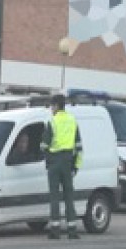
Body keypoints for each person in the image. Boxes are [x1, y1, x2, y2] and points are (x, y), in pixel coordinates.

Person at [41, 93, 82, 239]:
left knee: (55, 197)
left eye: (52, 106)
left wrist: (47, 159)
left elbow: (44, 145)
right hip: (68, 162)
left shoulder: (52, 122)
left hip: (54, 161)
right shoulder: (73, 121)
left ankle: (55, 230)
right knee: (69, 197)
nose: (51, 109)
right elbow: (79, 147)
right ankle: (72, 231)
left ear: (57, 106)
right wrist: (75, 166)